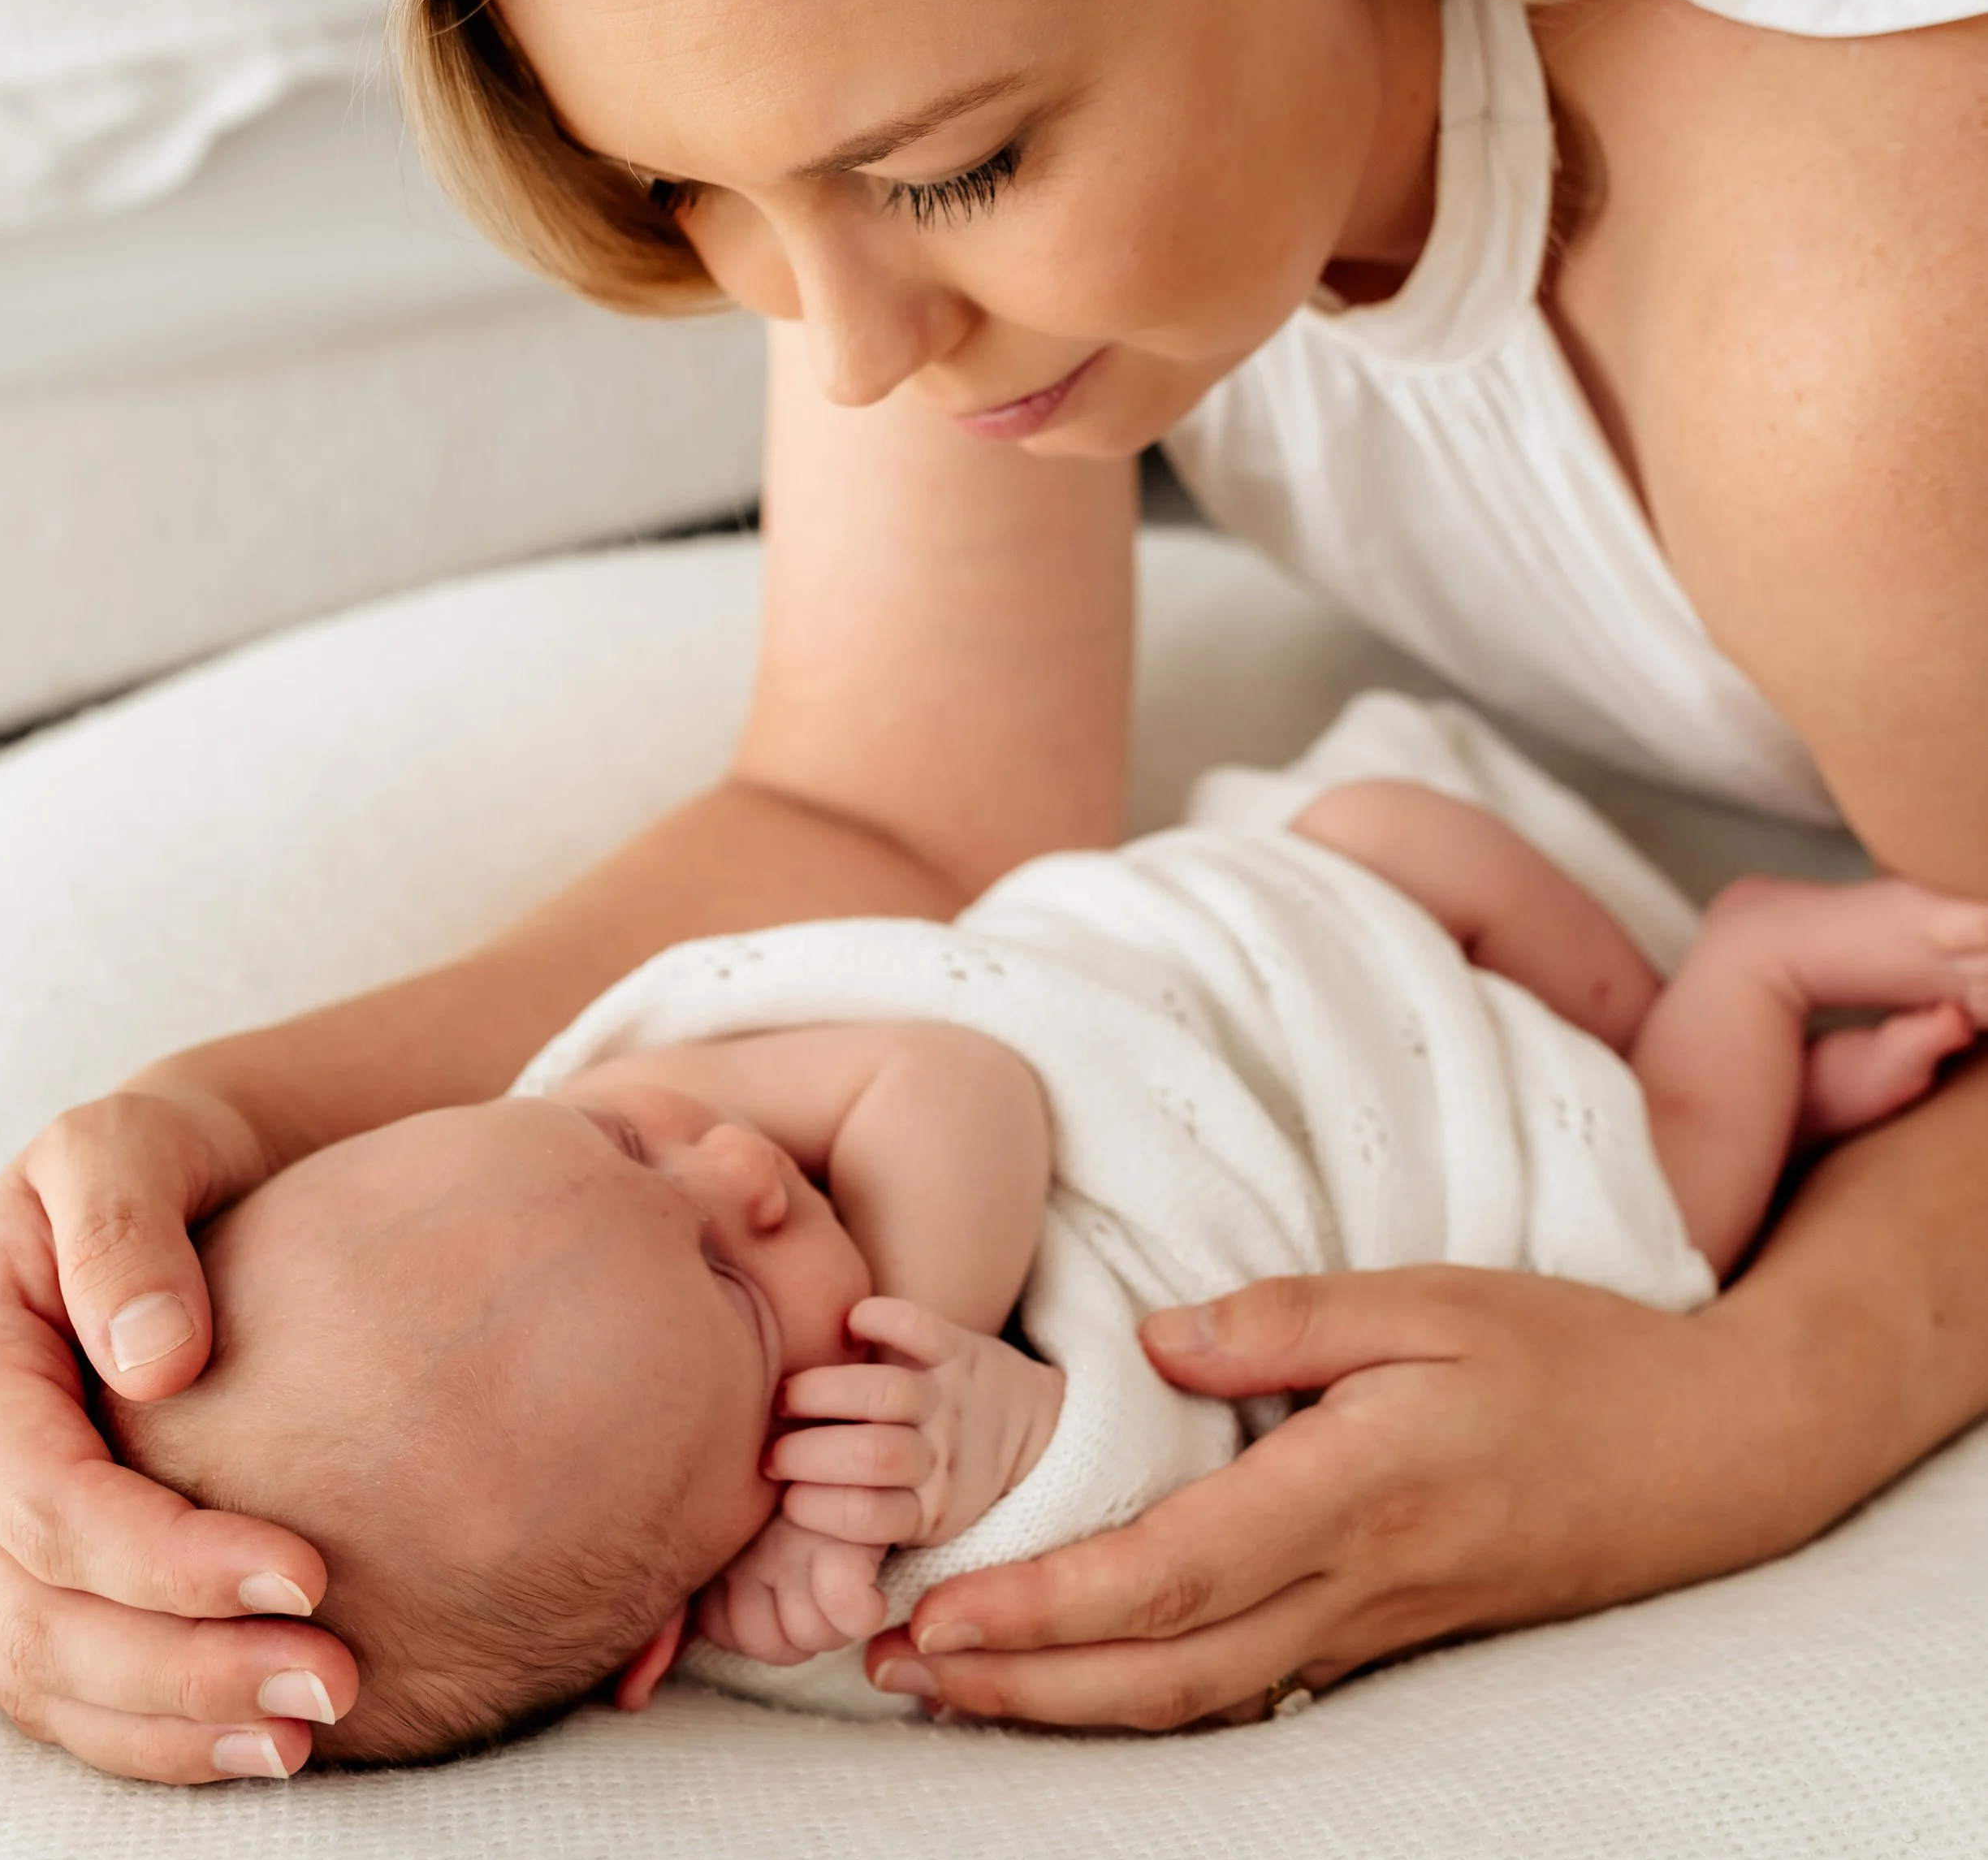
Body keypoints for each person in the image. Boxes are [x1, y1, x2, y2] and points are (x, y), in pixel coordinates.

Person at [0, 0, 1987, 1783]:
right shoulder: (971, 13)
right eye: (698, 193)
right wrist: (189, 1173)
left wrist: (1730, 1414)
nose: (854, 349)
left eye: (946, 170)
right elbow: (895, 811)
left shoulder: (1868, 302)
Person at [97, 707, 1988, 1765]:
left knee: (1393, 824)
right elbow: (1163, 1499)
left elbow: (955, 1073)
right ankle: (1748, 986)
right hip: (1399, 1134)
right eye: (737, 1289)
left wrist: (909, 1328)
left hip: (1253, 952)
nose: (737, 1169)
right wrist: (1000, 1451)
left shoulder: (640, 1092)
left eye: (621, 1145)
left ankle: (1665, 1017)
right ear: (671, 1621)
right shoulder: (835, 1585)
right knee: (1663, 1207)